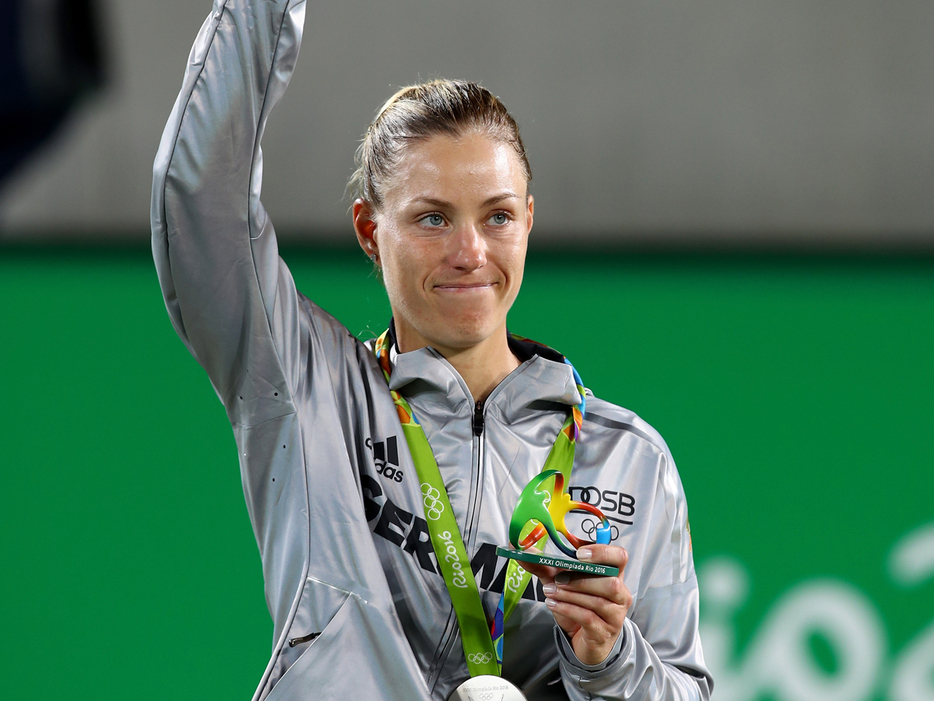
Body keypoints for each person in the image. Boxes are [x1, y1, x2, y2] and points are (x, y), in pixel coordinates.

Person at [151, 1, 712, 699]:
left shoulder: (629, 459)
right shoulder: (308, 389)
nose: (470, 252)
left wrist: (608, 656)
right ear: (368, 228)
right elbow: (202, 201)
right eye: (432, 218)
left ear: (529, 221)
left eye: (498, 216)